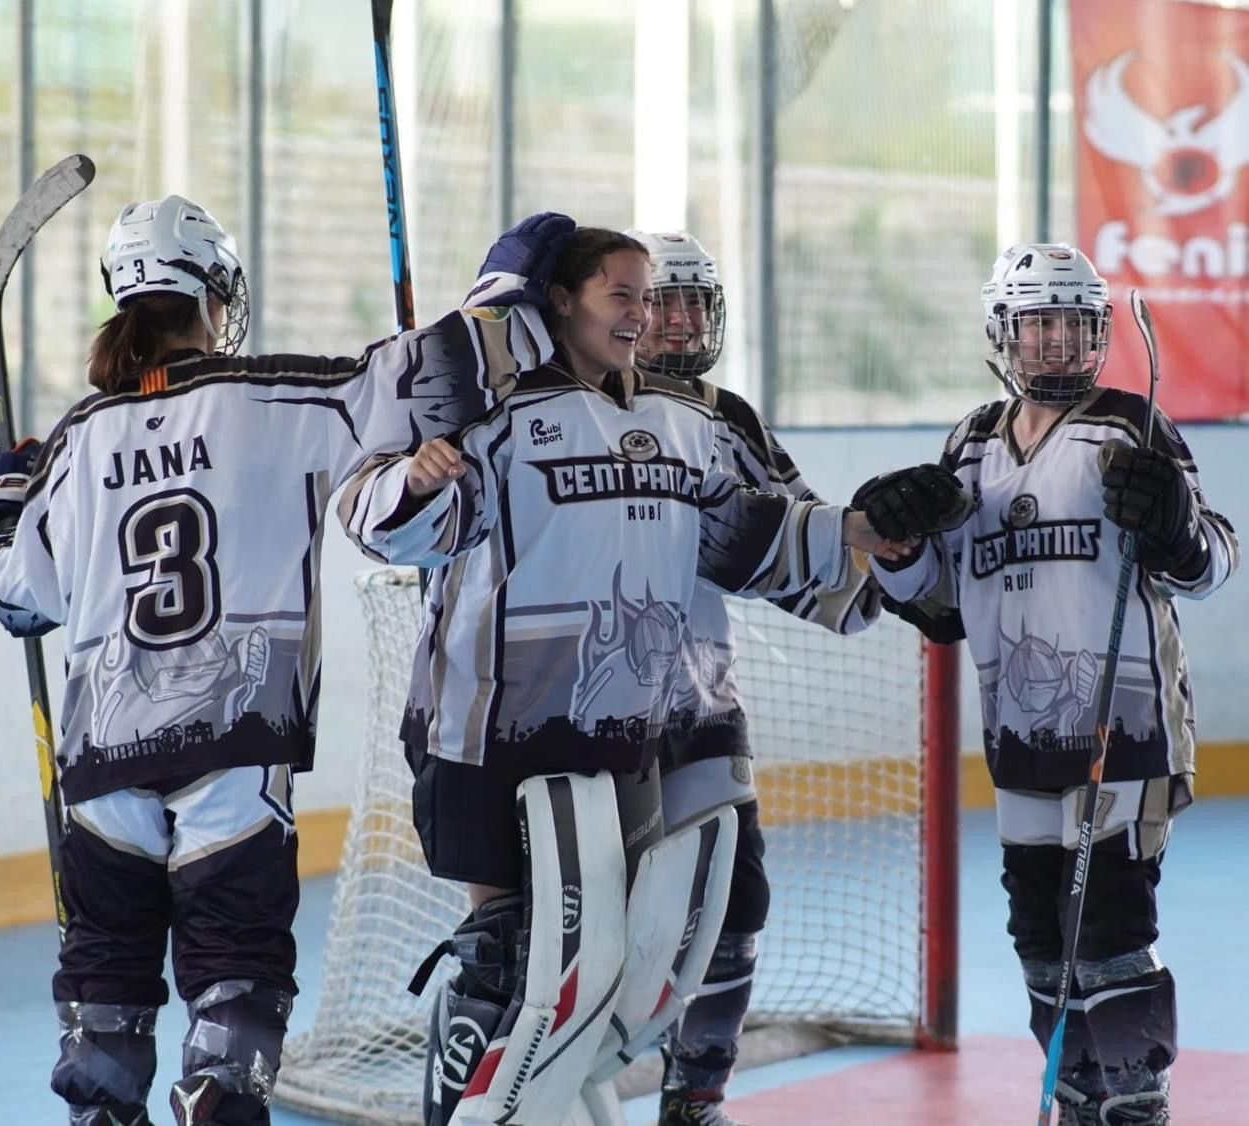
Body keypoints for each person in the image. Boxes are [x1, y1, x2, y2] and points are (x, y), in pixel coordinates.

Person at [0, 196, 565, 1126]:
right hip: (234, 746)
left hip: (101, 761)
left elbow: (11, 595)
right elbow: (438, 373)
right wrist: (516, 285)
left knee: (104, 992)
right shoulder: (268, 395)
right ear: (213, 295)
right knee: (234, 989)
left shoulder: (77, 442)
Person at [339, 224, 910, 1125]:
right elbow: (389, 523)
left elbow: (749, 536)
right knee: (509, 962)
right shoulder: (501, 415)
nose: (650, 318)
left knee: (617, 966)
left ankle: (670, 1100)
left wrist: (863, 534)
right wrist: (415, 480)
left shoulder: (690, 427)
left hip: (634, 737)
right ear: (559, 302)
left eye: (658, 300)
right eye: (628, 296)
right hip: (491, 733)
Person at [858, 243, 1238, 1126]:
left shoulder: (1133, 426)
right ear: (1007, 333)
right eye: (1040, 325)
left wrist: (1175, 528)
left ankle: (1134, 1102)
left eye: (1074, 324)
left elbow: (1210, 560)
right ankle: (1080, 1094)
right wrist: (901, 550)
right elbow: (941, 607)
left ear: (1099, 332)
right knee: (1039, 936)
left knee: (1107, 932)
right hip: (1020, 743)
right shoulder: (970, 445)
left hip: (1125, 731)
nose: (1058, 344)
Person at [628, 229, 879, 1125]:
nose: (683, 320)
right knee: (573, 921)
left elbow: (809, 543)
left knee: (735, 903)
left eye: (698, 301)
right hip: (578, 715)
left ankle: (693, 1094)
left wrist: (887, 552)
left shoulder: (726, 418)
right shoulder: (571, 405)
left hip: (697, 702)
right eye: (664, 302)